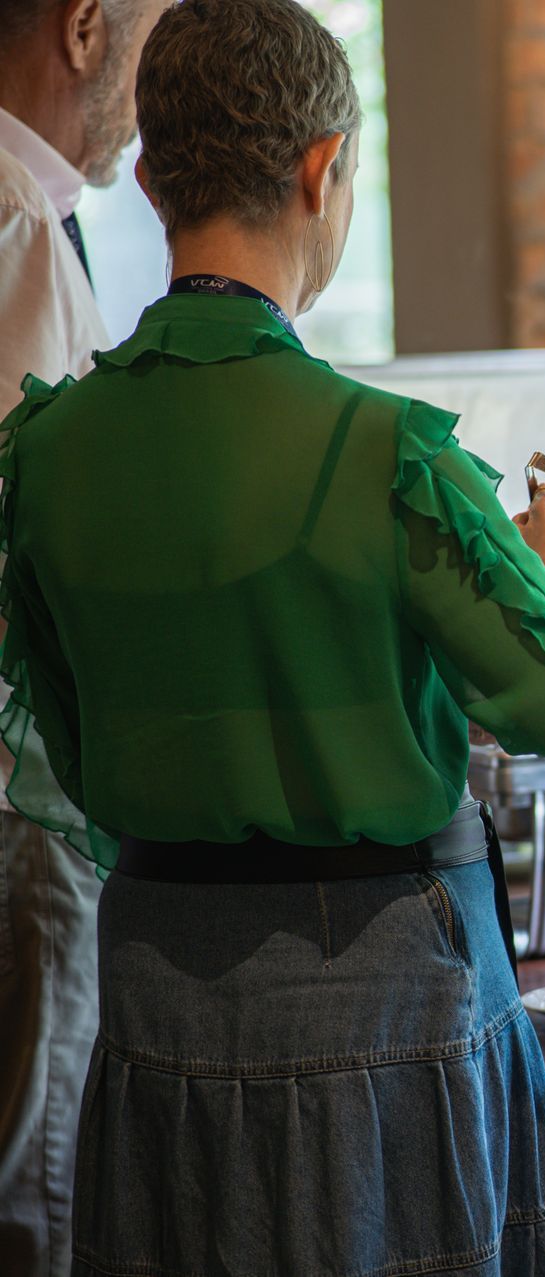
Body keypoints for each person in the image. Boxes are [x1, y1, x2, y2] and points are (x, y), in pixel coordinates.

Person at [0, 1, 545, 1273]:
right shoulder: (387, 456)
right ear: (324, 172)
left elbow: (71, 749)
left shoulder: (43, 456)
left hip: (153, 1004)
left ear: (149, 182)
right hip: (385, 1016)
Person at [0, 2, 167, 1273]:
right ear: (86, 27)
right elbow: (35, 541)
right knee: (41, 1186)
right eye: (156, 27)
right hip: (21, 792)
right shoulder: (13, 222)